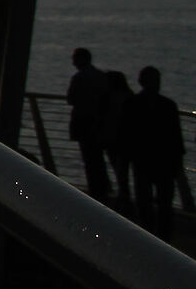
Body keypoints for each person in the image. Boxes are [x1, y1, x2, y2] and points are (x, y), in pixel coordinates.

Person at [120, 66, 184, 237]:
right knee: (145, 201)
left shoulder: (166, 105)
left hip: (162, 159)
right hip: (144, 158)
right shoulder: (134, 104)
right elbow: (127, 133)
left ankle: (161, 236)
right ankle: (151, 234)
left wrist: (177, 158)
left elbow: (175, 135)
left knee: (163, 203)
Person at [66, 47, 110, 199]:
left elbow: (71, 98)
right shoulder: (101, 76)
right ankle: (103, 187)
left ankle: (95, 189)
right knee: (97, 157)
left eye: (75, 59)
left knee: (89, 158)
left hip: (84, 122)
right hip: (99, 122)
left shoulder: (79, 78)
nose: (73, 62)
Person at [99, 68, 135, 215]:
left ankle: (123, 201)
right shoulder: (130, 97)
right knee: (123, 171)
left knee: (119, 170)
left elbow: (103, 118)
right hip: (127, 140)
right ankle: (125, 200)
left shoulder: (108, 97)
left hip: (114, 139)